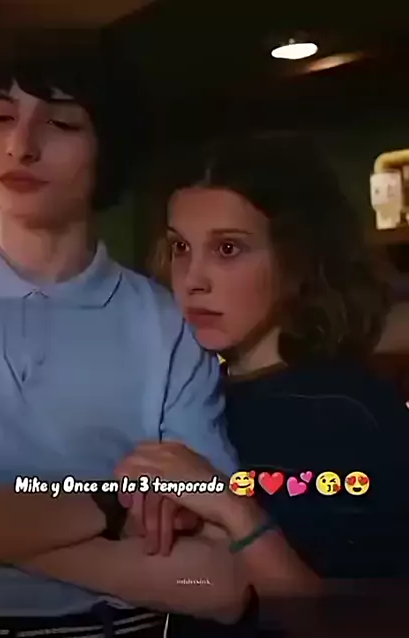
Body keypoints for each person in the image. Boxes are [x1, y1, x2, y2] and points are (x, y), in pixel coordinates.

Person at [0, 28, 246, 637]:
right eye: (0, 117)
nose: (21, 146)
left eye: (61, 123)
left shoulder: (166, 324)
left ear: (109, 149)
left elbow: (215, 583)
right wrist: (107, 511)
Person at [117, 132, 409, 635]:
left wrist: (231, 509)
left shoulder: (352, 413)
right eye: (181, 247)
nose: (193, 279)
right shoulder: (183, 399)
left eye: (228, 248)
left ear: (297, 258)